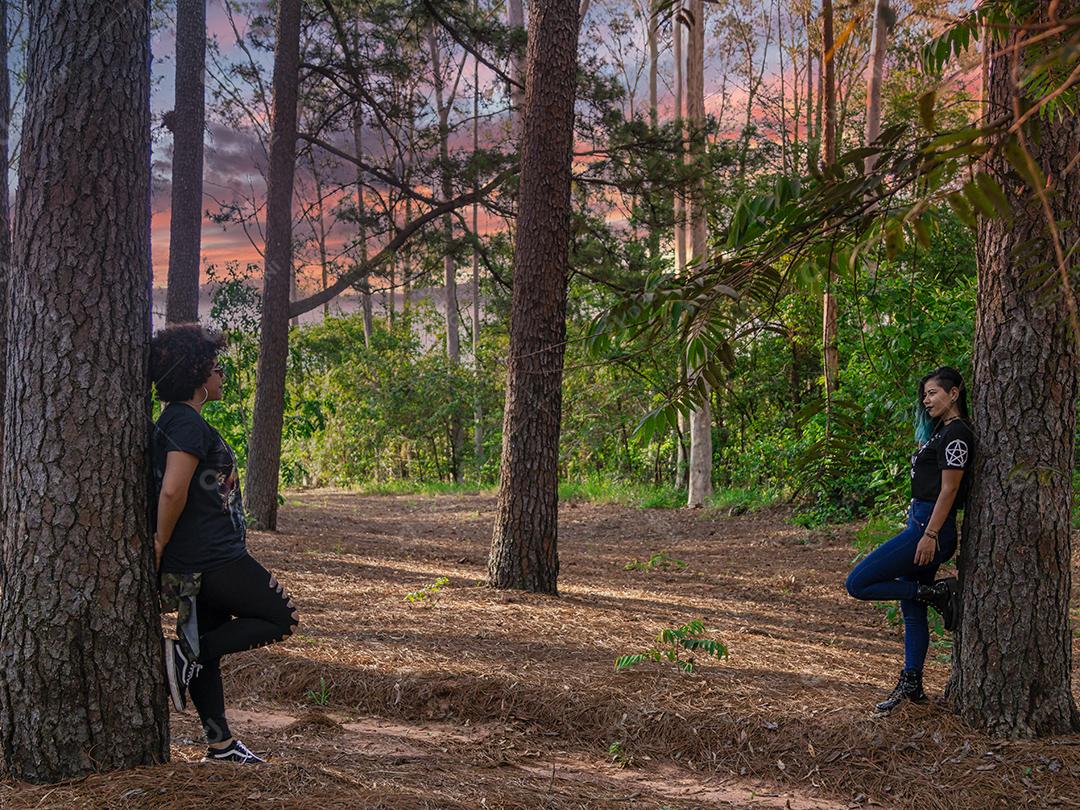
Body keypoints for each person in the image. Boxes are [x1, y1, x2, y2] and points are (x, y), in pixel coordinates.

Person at [151, 324, 299, 763]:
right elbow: (173, 491)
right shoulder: (184, 423)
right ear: (198, 375)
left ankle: (219, 743)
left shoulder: (180, 422)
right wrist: (159, 542)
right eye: (216, 368)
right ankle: (182, 653)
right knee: (280, 617)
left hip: (206, 553)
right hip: (209, 557)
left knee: (209, 648)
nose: (221, 376)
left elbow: (190, 487)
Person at [845, 366, 974, 713]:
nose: (926, 399)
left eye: (933, 393)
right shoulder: (939, 432)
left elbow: (950, 489)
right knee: (912, 611)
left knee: (857, 582)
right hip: (919, 522)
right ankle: (912, 684)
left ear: (954, 393)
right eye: (925, 394)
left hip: (929, 530)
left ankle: (935, 593)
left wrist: (930, 534)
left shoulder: (957, 435)